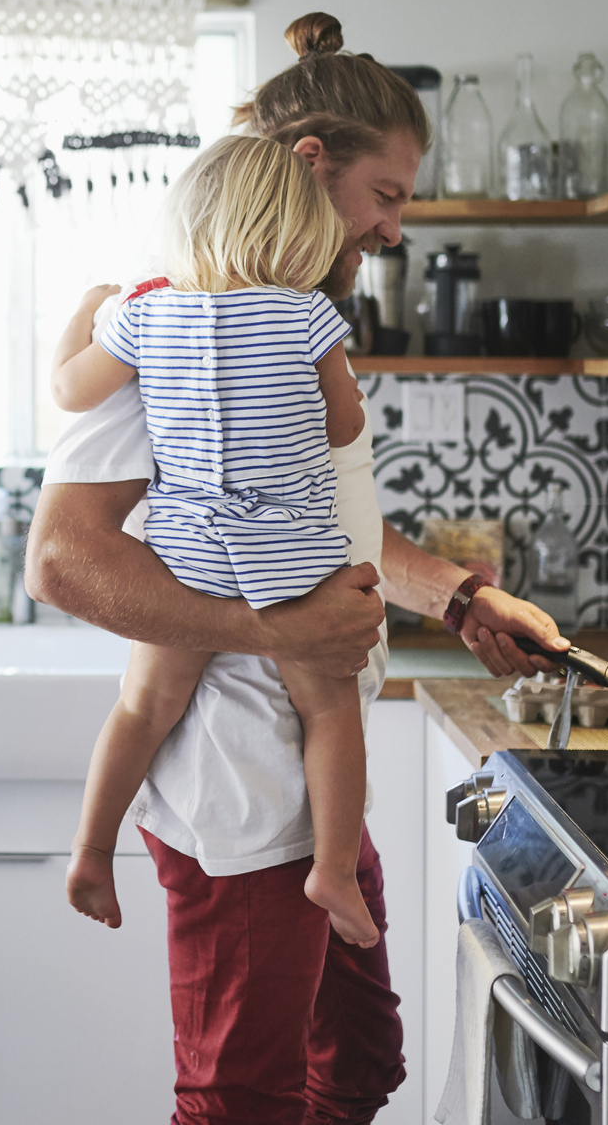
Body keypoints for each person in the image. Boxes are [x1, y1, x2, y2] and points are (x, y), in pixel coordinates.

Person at [24, 11, 567, 1125]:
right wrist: (277, 628)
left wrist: (457, 595)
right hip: (237, 788)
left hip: (312, 773)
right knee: (236, 1120)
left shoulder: (292, 317)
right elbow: (65, 561)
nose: (395, 224)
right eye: (387, 192)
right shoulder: (164, 321)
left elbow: (331, 527)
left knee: (362, 1063)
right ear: (311, 166)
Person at [51, 134, 380, 950]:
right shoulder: (308, 313)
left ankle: (93, 850)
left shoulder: (142, 313)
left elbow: (66, 391)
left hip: (188, 549)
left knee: (142, 704)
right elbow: (346, 424)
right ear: (300, 232)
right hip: (291, 554)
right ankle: (333, 868)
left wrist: (84, 313)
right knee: (329, 706)